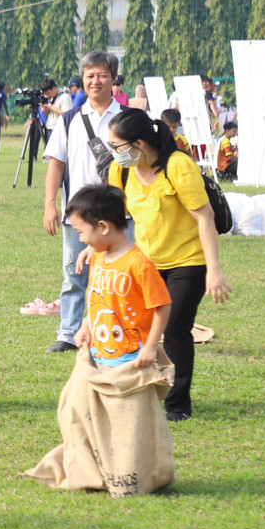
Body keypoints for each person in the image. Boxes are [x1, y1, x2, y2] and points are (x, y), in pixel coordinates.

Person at [103, 107, 231, 420]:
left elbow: (205, 217)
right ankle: (144, 393)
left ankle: (176, 407)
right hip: (147, 263)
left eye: (117, 146)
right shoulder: (120, 171)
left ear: (138, 144)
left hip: (188, 261)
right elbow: (115, 218)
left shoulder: (178, 166)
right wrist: (98, 250)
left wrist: (213, 270)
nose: (113, 153)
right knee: (140, 329)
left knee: (174, 329)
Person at [43, 51, 127, 354]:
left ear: (113, 79)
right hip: (77, 216)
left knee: (119, 274)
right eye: (90, 75)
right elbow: (55, 164)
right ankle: (68, 332)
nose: (95, 81)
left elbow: (138, 166)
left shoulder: (127, 119)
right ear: (82, 79)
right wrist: (49, 204)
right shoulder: (69, 120)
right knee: (74, 274)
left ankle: (116, 330)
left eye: (102, 75)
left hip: (120, 214)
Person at [65, 184, 170, 370]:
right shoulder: (97, 257)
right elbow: (98, 300)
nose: (80, 240)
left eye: (81, 232)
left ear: (103, 227)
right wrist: (86, 325)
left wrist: (152, 346)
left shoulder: (139, 264)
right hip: (99, 356)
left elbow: (162, 305)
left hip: (133, 362)